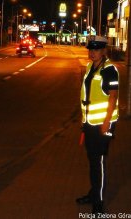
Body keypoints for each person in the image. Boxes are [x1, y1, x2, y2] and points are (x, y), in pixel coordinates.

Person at [76, 35, 119, 214]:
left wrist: (106, 123)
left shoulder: (110, 70)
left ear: (103, 51)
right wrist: (84, 122)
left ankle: (99, 205)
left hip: (102, 124)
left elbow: (113, 97)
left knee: (98, 162)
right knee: (93, 161)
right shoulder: (89, 67)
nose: (92, 53)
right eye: (91, 49)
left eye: (96, 49)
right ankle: (94, 194)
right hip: (90, 123)